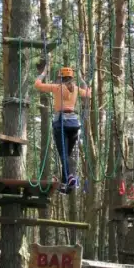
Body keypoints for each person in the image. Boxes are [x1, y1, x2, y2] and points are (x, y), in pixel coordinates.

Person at [35, 60, 91, 193]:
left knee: (63, 154)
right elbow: (88, 93)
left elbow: (37, 85)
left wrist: (44, 73)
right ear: (71, 78)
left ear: (60, 77)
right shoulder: (76, 88)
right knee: (66, 155)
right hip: (74, 124)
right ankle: (67, 184)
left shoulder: (57, 87)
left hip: (61, 123)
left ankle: (69, 177)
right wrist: (82, 80)